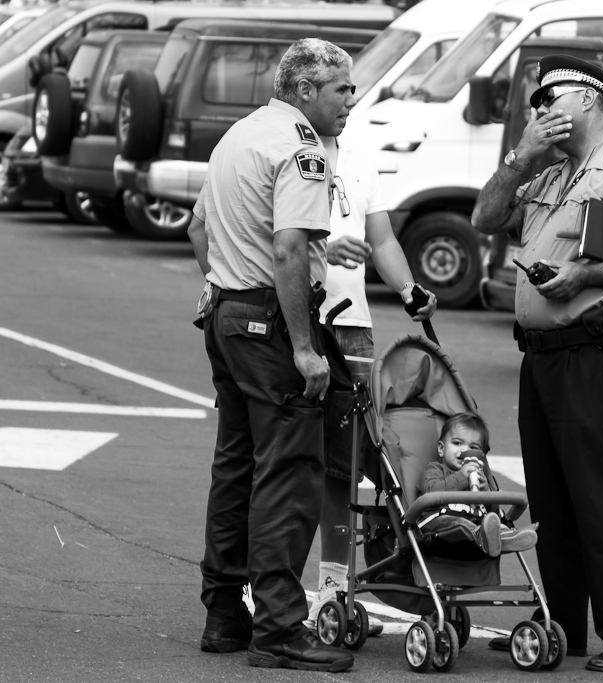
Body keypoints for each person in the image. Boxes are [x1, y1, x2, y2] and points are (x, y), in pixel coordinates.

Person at [470, 55, 603, 673]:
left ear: (588, 101)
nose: (538, 111)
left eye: (549, 100)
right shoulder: (547, 170)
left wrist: (587, 274)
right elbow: (485, 218)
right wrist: (519, 157)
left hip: (598, 350)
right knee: (553, 498)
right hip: (543, 355)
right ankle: (563, 624)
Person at [185, 38, 357, 672]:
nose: (352, 100)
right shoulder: (299, 148)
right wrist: (306, 347)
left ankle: (225, 613)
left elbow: (198, 227)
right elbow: (289, 251)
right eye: (342, 88)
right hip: (268, 321)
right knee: (287, 471)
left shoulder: (239, 135)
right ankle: (282, 628)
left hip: (229, 314)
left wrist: (218, 285)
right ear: (306, 90)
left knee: (236, 465)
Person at [303, 108, 438, 632]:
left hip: (351, 327)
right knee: (283, 456)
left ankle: (334, 590)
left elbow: (382, 241)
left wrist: (410, 291)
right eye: (343, 90)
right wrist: (322, 246)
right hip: (294, 317)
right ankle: (260, 587)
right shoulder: (280, 156)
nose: (351, 101)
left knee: (344, 463)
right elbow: (263, 235)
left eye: (353, 91)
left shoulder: (360, 162)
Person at [416, 413, 538, 557]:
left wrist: (486, 491)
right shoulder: (435, 469)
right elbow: (431, 492)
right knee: (460, 524)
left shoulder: (478, 476)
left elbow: (492, 511)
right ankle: (488, 536)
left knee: (497, 524)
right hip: (441, 524)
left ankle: (509, 536)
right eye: (457, 443)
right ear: (441, 449)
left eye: (473, 447)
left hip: (476, 523)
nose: (464, 451)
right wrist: (461, 476)